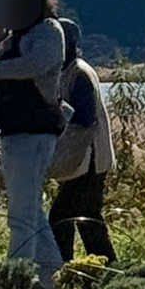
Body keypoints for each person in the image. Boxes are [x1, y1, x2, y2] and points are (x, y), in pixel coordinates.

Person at [0, 0, 68, 289]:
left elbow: (36, 65)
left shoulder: (49, 31)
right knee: (30, 212)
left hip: (35, 133)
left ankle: (16, 285)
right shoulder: (10, 38)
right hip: (12, 132)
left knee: (20, 217)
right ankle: (55, 281)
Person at [48, 19, 116, 263]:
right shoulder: (70, 71)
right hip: (86, 160)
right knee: (89, 220)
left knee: (61, 218)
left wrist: (54, 113)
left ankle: (64, 268)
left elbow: (84, 118)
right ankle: (105, 269)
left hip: (89, 159)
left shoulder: (79, 73)